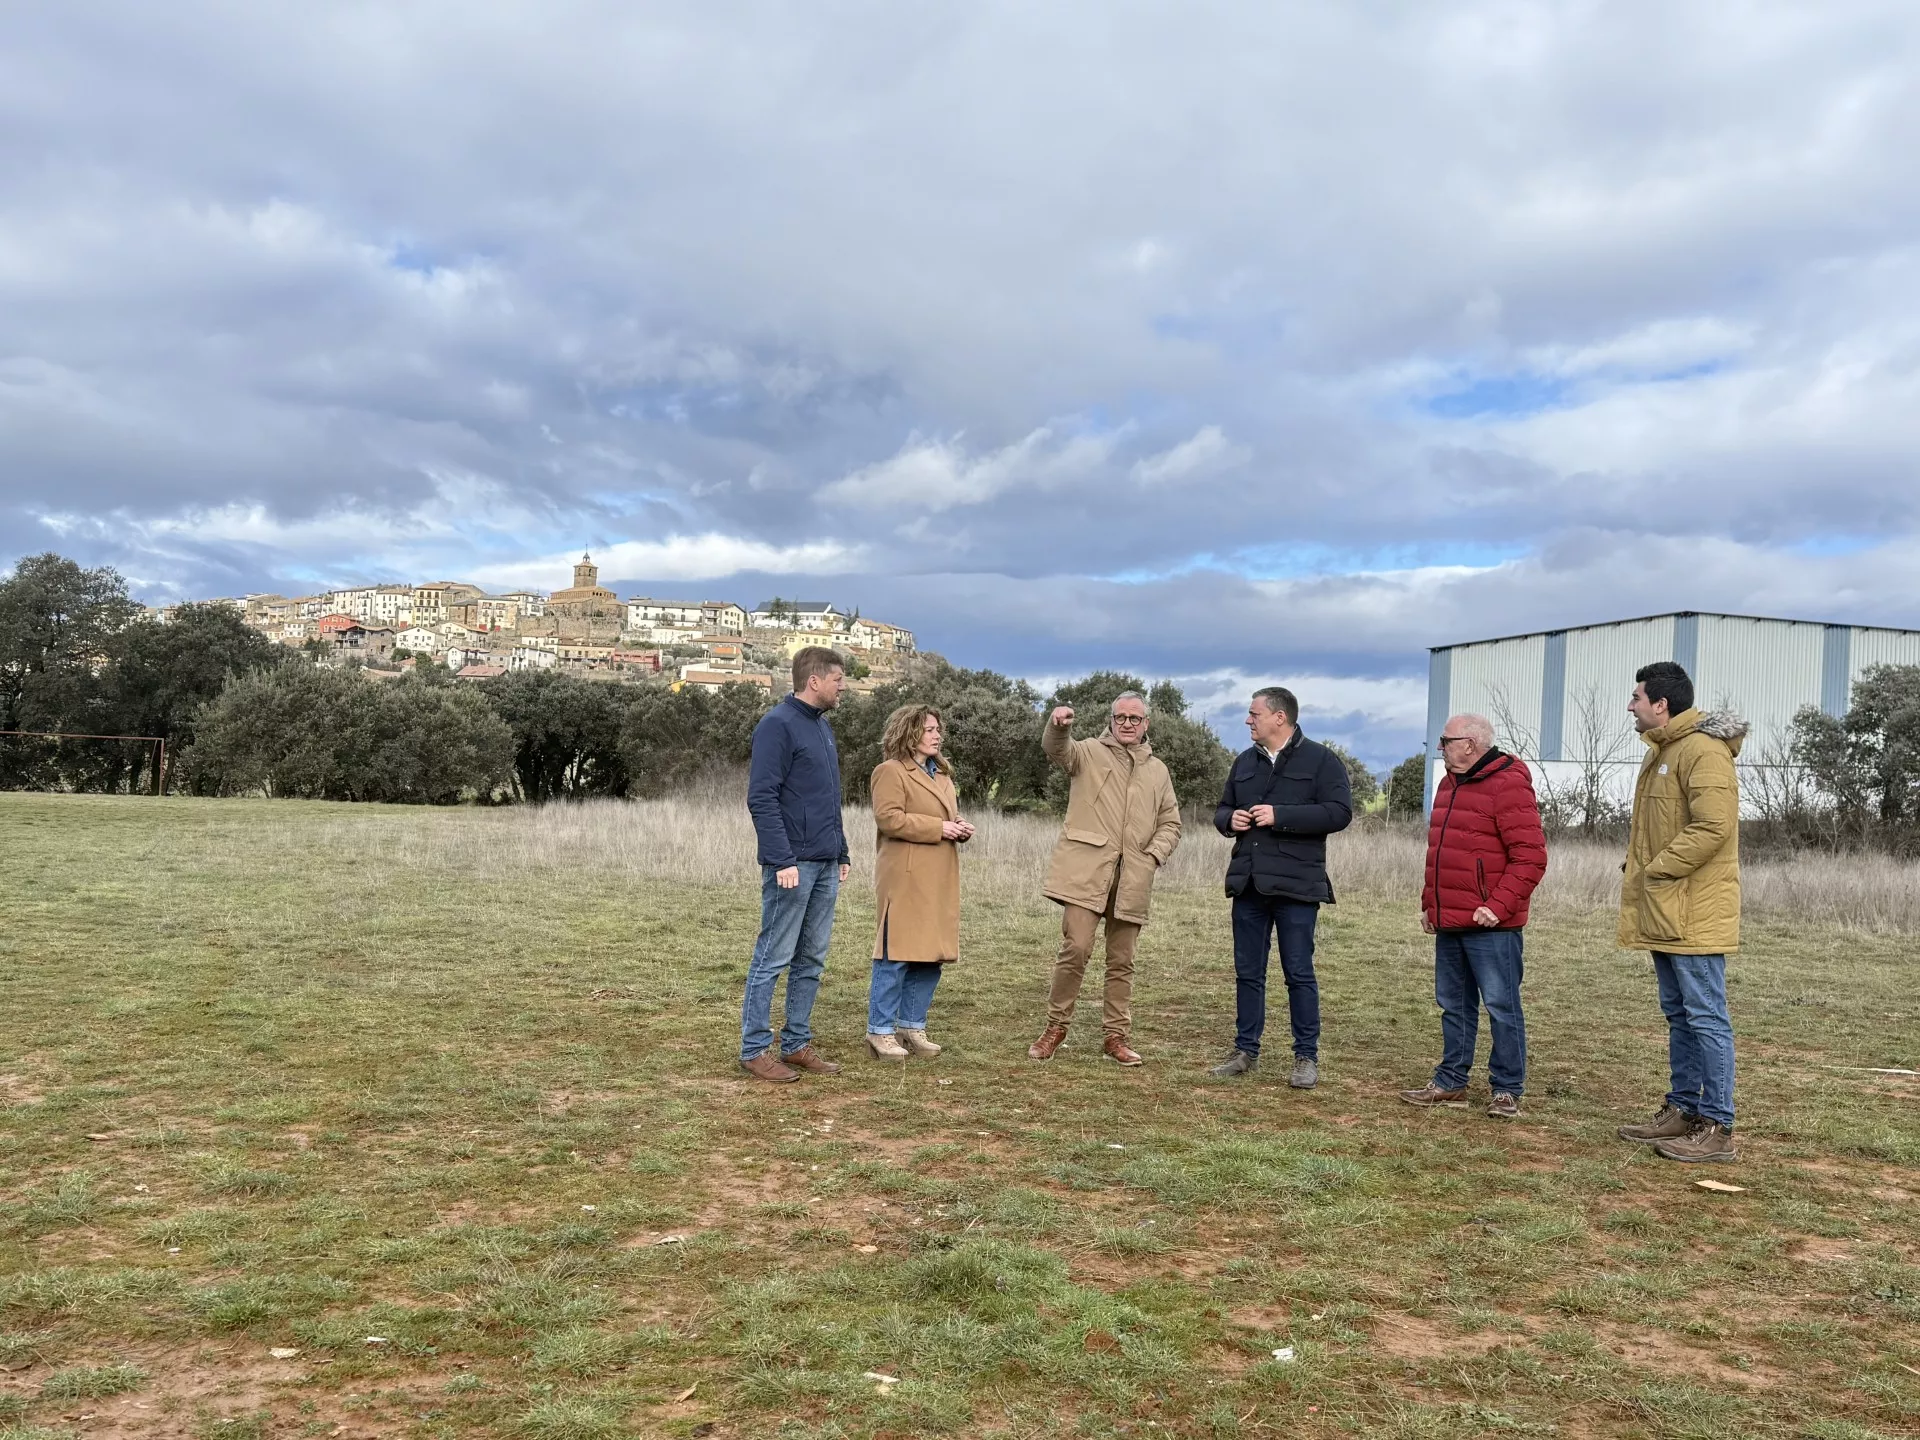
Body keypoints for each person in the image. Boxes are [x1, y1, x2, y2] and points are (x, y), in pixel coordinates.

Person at [1615, 661, 1747, 1163]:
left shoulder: (1704, 752)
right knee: (1679, 1014)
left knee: (1706, 1016)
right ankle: (1683, 1109)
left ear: (1661, 704)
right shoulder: (1665, 751)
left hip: (1694, 910)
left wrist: (1657, 869)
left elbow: (1714, 826)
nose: (1631, 706)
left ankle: (1717, 1127)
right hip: (1668, 908)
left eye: (1636, 697)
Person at [1399, 713, 1547, 1119]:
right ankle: (1451, 1082)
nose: (1440, 746)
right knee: (1453, 1004)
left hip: (1492, 925)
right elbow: (1440, 853)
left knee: (1501, 1005)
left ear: (1471, 743)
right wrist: (1430, 903)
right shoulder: (1448, 784)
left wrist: (1497, 907)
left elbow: (1531, 857)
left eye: (1446, 740)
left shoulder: (1509, 783)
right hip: (1450, 920)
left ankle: (1506, 1089)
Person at [1027, 692, 1182, 1066]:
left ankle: (1116, 1037)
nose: (1127, 723)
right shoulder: (1087, 752)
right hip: (1086, 871)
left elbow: (1172, 823)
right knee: (1076, 949)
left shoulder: (1158, 771)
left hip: (1133, 877)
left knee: (1122, 961)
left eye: (1135, 718)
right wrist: (1057, 724)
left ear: (1146, 724)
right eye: (1121, 717)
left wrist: (1152, 854)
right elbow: (1055, 749)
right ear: (1111, 720)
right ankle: (1056, 1027)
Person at [1209, 687, 1353, 1086]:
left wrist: (1281, 815)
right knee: (1248, 971)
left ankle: (1306, 1057)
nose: (1247, 720)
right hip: (1249, 883)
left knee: (1299, 972)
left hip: (1297, 887)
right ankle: (1245, 1051)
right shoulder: (1243, 762)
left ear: (1279, 717)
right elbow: (1222, 808)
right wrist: (1229, 820)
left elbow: (1339, 813)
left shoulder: (1322, 761)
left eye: (1253, 713)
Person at [739, 646, 851, 1083]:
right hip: (792, 865)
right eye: (839, 679)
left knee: (812, 959)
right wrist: (782, 859)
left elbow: (828, 799)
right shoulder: (777, 725)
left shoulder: (822, 728)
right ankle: (754, 1049)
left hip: (824, 863)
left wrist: (841, 851)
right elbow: (761, 798)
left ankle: (797, 1044)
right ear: (815, 681)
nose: (844, 687)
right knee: (773, 956)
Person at [866, 705, 974, 1059]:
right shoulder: (890, 772)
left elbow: (942, 818)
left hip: (940, 877)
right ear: (909, 732)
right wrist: (939, 828)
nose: (937, 735)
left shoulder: (943, 776)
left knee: (931, 956)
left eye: (938, 729)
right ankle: (880, 1031)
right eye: (929, 729)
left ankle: (912, 1026)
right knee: (895, 954)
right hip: (905, 877)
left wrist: (958, 827)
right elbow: (889, 819)